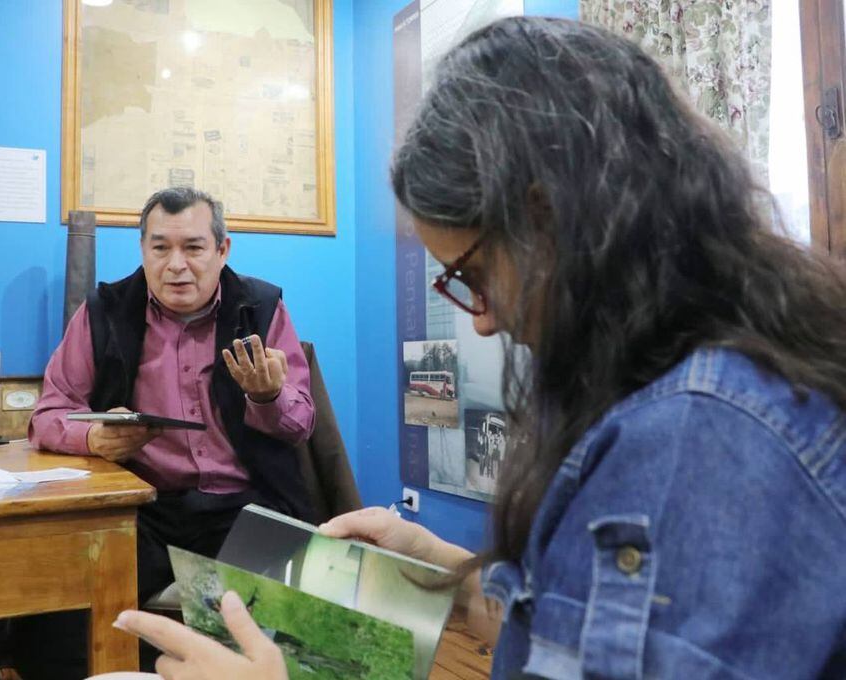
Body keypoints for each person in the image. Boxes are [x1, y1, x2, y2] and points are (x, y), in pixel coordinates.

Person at [111, 16, 846, 680]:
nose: (483, 321)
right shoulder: (698, 377)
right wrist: (459, 574)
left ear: (556, 222)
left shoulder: (698, 442)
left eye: (472, 275)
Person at [0, 187, 315, 679]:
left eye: (193, 247)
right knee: (55, 635)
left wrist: (266, 397)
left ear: (222, 250)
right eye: (160, 247)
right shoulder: (105, 312)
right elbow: (46, 415)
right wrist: (92, 439)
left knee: (288, 637)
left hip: (245, 503)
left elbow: (300, 425)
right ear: (142, 250)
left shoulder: (262, 308)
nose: (176, 265)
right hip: (144, 507)